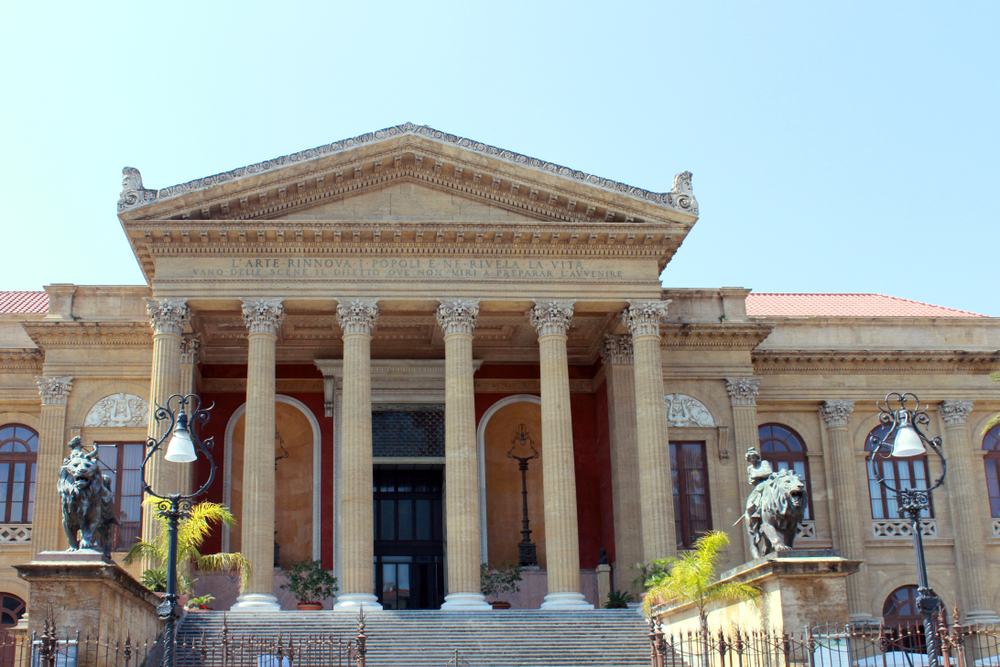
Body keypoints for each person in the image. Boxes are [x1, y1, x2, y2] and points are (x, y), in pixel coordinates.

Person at [744, 449, 773, 547]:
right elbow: (750, 480)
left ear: (757, 458)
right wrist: (752, 479)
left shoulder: (764, 463)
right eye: (750, 458)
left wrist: (756, 475)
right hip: (758, 486)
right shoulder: (750, 468)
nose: (752, 459)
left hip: (767, 484)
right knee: (749, 506)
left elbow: (769, 472)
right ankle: (755, 527)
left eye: (753, 457)